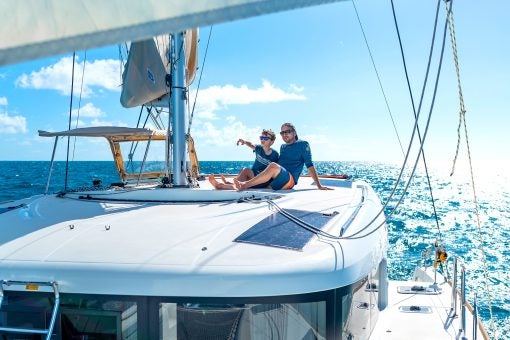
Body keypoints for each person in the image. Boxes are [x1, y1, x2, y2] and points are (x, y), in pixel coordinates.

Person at [233, 123, 332, 191]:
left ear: (294, 132)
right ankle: (227, 186)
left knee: (273, 166)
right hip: (276, 179)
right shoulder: (283, 147)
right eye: (282, 132)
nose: (284, 134)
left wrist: (319, 186)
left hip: (289, 180)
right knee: (246, 171)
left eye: (287, 131)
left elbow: (309, 165)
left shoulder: (303, 144)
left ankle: (244, 185)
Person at [208, 129, 279, 190]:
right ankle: (231, 184)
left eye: (266, 138)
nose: (263, 139)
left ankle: (221, 186)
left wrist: (272, 185)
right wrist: (244, 142)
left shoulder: (275, 154)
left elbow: (276, 171)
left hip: (261, 180)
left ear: (272, 142)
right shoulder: (259, 148)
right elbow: (251, 144)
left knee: (246, 170)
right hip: (253, 175)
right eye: (261, 137)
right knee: (243, 170)